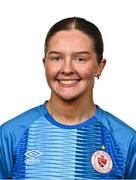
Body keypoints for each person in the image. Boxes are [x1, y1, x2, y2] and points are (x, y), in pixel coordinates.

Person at [0, 17, 136, 179]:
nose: (67, 69)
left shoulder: (126, 141)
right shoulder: (10, 135)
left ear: (100, 66)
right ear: (45, 64)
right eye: (56, 58)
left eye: (80, 59)